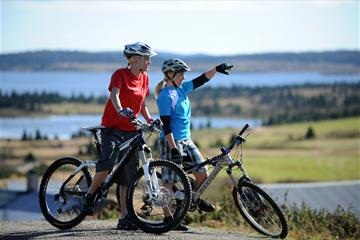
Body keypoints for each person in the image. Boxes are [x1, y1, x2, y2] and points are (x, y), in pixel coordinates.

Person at [82, 42, 157, 230]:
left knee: (128, 176)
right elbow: (114, 95)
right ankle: (89, 195)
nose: (148, 61)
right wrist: (120, 110)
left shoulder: (145, 77)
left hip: (132, 131)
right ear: (133, 59)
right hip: (112, 128)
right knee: (107, 163)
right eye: (145, 58)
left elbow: (143, 104)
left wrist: (150, 120)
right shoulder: (119, 74)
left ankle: (124, 218)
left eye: (149, 58)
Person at [155, 58, 233, 230]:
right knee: (168, 181)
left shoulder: (182, 89)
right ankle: (169, 219)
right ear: (170, 74)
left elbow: (201, 80)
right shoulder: (165, 96)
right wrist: (174, 149)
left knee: (202, 173)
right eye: (181, 73)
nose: (183, 77)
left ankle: (190, 198)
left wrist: (216, 69)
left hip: (186, 140)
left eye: (183, 74)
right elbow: (167, 128)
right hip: (171, 141)